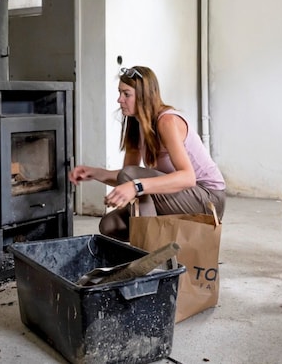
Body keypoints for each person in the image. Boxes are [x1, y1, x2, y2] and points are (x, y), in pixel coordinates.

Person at [68, 66, 226, 241]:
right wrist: (95, 173)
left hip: (208, 199)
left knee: (132, 177)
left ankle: (151, 255)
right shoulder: (135, 125)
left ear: (145, 96)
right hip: (179, 195)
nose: (119, 99)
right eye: (120, 93)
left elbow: (187, 178)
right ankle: (157, 246)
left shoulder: (167, 121)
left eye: (126, 94)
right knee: (110, 225)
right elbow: (125, 177)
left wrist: (136, 186)